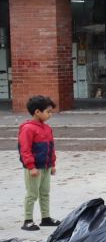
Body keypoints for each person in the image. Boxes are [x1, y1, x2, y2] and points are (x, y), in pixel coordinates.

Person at [18, 96, 58, 232]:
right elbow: (25, 150)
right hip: (34, 169)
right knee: (32, 194)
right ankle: (28, 220)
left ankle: (45, 218)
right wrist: (31, 167)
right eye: (48, 112)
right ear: (37, 112)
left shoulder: (47, 128)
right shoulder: (28, 129)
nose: (50, 115)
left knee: (45, 192)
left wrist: (52, 164)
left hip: (46, 166)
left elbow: (51, 147)